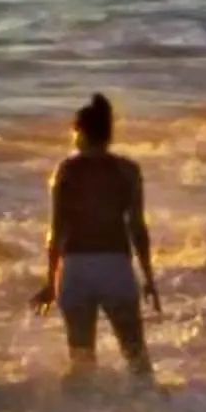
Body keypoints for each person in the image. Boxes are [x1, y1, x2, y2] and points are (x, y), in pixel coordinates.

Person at [30, 93, 162, 384]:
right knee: (137, 359)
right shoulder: (127, 170)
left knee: (82, 363)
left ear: (79, 132)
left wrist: (51, 282)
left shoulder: (65, 171)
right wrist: (148, 277)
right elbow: (137, 228)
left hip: (75, 269)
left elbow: (57, 231)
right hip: (115, 267)